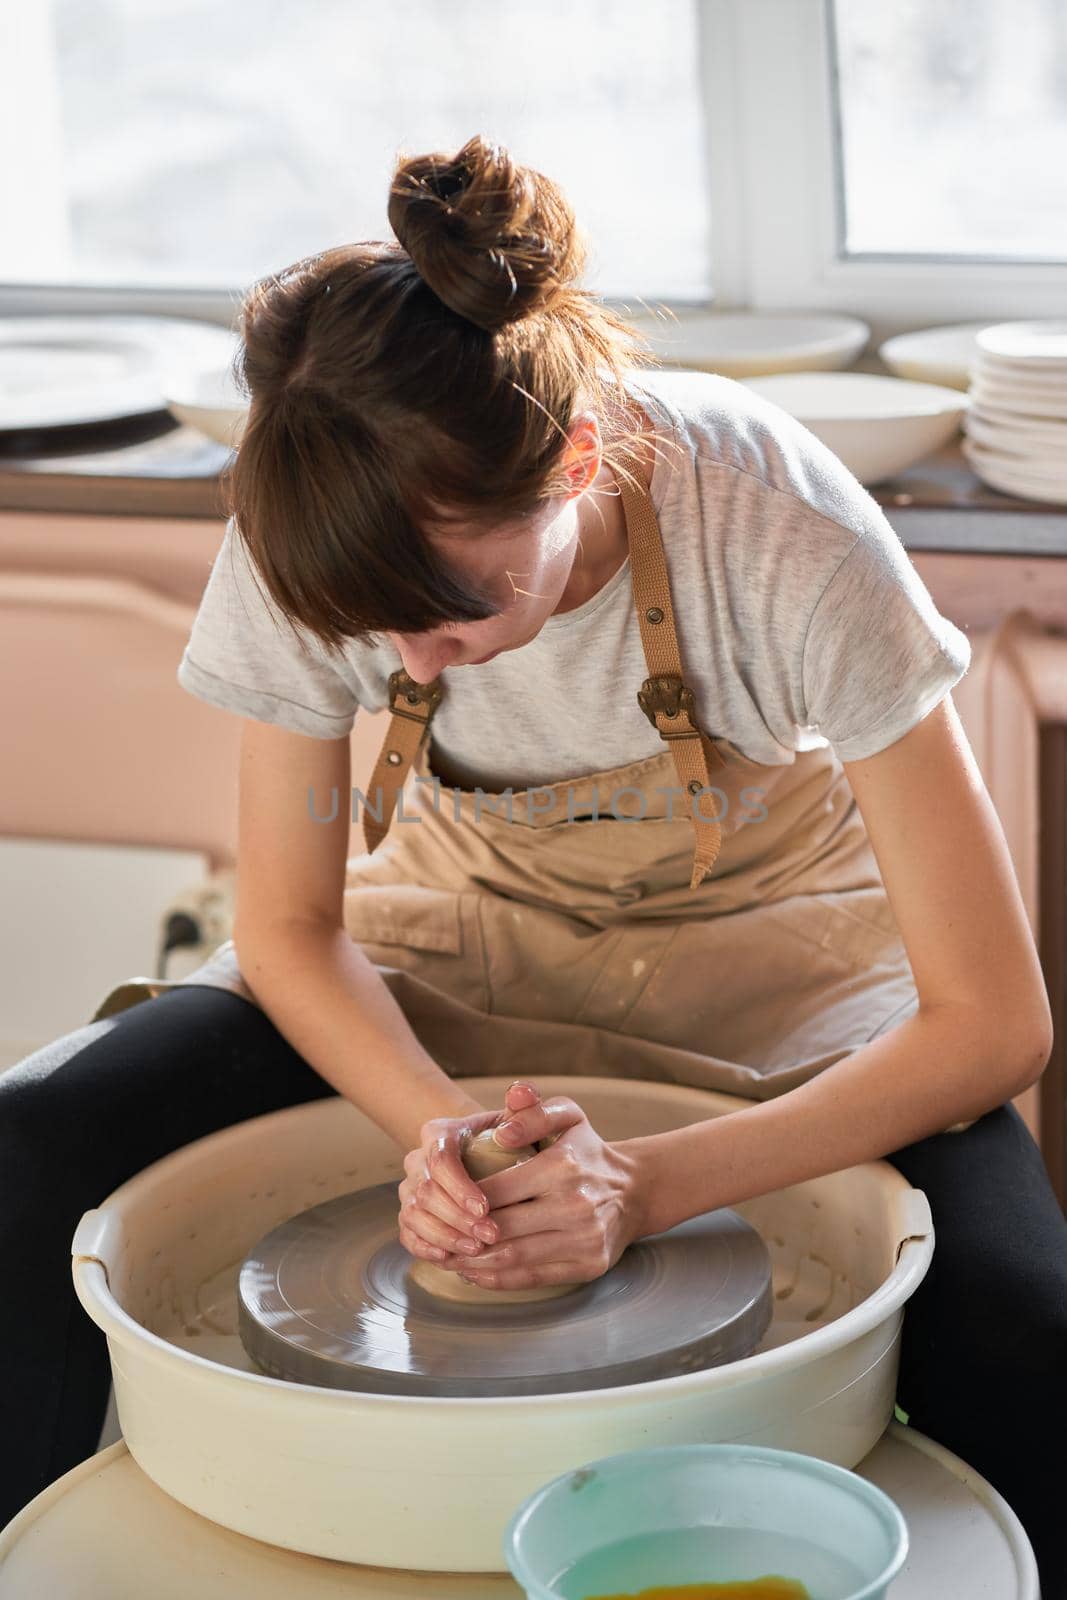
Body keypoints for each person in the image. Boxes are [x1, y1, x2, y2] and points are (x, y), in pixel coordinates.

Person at [2, 134, 1064, 1592]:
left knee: (1026, 1324)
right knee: (28, 1142)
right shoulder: (312, 530)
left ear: (577, 462)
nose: (407, 660)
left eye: (454, 614)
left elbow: (994, 1024)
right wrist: (444, 1138)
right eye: (378, 635)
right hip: (453, 942)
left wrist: (646, 1185)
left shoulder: (781, 531)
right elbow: (297, 927)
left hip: (777, 974)